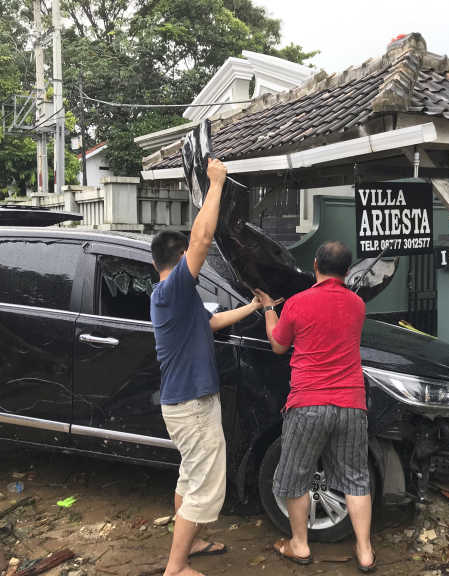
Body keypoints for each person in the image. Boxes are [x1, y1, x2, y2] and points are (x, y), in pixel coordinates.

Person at [150, 158, 265, 576]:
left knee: (189, 477)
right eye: (189, 259)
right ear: (178, 259)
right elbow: (201, 239)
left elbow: (211, 322)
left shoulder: (174, 299)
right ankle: (176, 567)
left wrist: (251, 307)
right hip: (192, 406)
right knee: (203, 485)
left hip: (186, 404)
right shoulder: (173, 288)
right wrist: (215, 184)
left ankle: (192, 543)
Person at [254, 241, 376, 573]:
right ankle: (365, 551)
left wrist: (268, 309)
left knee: (295, 477)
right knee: (355, 478)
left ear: (315, 265)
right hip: (351, 403)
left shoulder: (297, 303)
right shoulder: (357, 305)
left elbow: (279, 345)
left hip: (308, 403)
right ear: (348, 271)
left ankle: (300, 544)